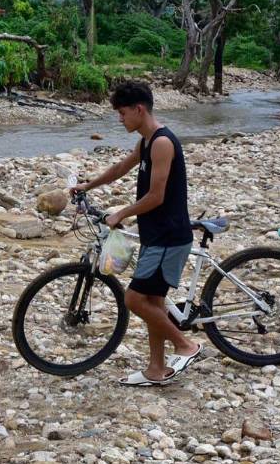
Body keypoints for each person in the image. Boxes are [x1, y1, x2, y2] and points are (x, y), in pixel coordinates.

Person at [72, 81, 201, 386]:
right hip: (156, 234)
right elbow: (120, 168)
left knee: (133, 299)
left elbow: (156, 196)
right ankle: (156, 369)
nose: (120, 119)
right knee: (153, 302)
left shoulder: (162, 143)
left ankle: (186, 345)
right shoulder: (146, 141)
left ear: (139, 109)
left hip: (168, 237)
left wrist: (121, 213)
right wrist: (88, 185)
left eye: (122, 113)